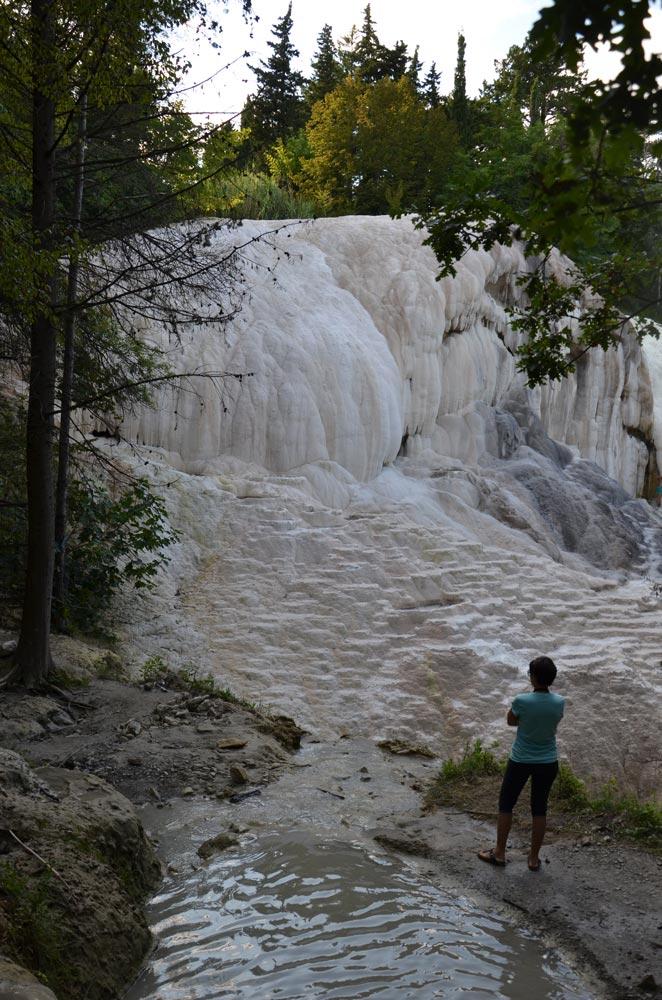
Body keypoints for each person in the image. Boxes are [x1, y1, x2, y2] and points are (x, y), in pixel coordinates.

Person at [478, 655, 564, 871]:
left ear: (533, 677)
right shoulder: (559, 702)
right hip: (548, 760)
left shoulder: (521, 700)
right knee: (539, 808)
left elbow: (511, 721)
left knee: (506, 804)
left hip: (521, 760)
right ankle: (533, 858)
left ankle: (499, 852)